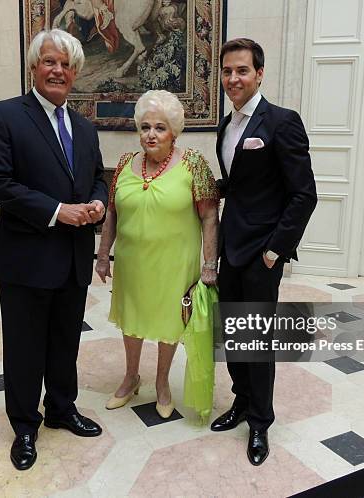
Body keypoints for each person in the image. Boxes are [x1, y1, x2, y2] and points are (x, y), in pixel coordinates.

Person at [0, 28, 108, 471]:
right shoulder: (5, 116)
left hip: (72, 258)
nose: (58, 70)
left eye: (67, 64)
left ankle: (62, 409)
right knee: (24, 346)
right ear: (34, 67)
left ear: (76, 73)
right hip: (27, 258)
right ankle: (24, 426)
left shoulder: (86, 128)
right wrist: (57, 211)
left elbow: (97, 177)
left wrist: (97, 202)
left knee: (64, 341)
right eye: (50, 61)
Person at [212, 38, 317, 466]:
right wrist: (205, 191)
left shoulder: (282, 122)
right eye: (227, 72)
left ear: (259, 74)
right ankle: (240, 400)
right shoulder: (226, 126)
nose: (233, 79)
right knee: (233, 333)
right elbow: (240, 185)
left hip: (262, 252)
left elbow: (304, 195)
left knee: (255, 336)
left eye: (241, 71)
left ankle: (260, 421)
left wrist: (275, 251)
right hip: (229, 245)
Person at [95, 90, 219, 419]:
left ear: (174, 131)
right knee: (131, 318)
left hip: (175, 263)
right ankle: (131, 376)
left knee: (169, 320)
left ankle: (162, 382)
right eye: (145, 126)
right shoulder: (124, 164)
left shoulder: (193, 163)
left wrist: (209, 264)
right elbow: (112, 214)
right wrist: (103, 254)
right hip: (133, 263)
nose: (151, 134)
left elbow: (209, 216)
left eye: (160, 127)